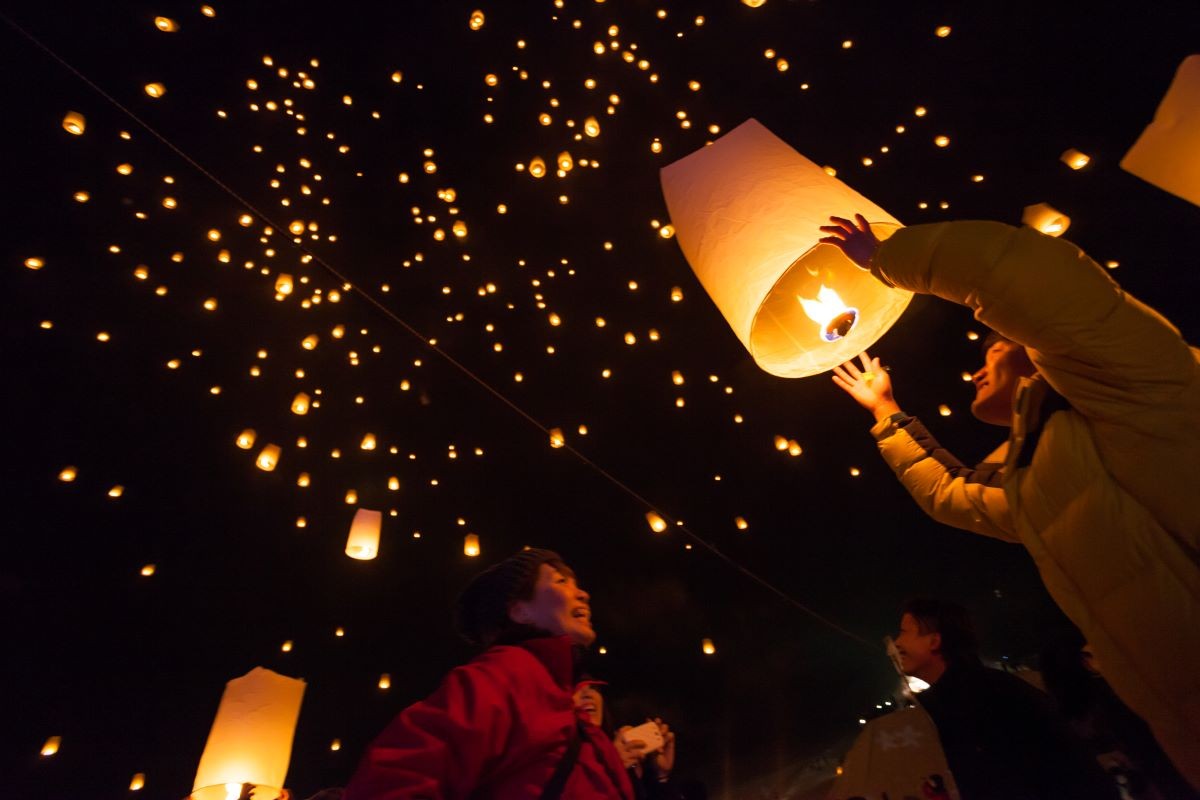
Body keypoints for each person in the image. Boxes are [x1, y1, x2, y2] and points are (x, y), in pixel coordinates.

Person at [820, 215, 1200, 788]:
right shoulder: (1036, 481)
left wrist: (887, 258)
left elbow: (1018, 275)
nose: (976, 368)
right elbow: (950, 495)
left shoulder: (1131, 384)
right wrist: (885, 413)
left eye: (992, 348)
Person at [342, 548, 633, 800]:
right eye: (561, 581)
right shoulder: (505, 675)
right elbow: (395, 777)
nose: (583, 593)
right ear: (520, 611)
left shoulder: (571, 703)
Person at [892, 597, 1118, 799]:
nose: (897, 643)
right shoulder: (967, 693)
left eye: (904, 632)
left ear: (934, 641)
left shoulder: (981, 697)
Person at [572, 679, 679, 799]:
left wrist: (661, 776)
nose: (588, 693)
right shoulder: (561, 759)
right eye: (576, 687)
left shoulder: (622, 751)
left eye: (593, 688)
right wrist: (612, 767)